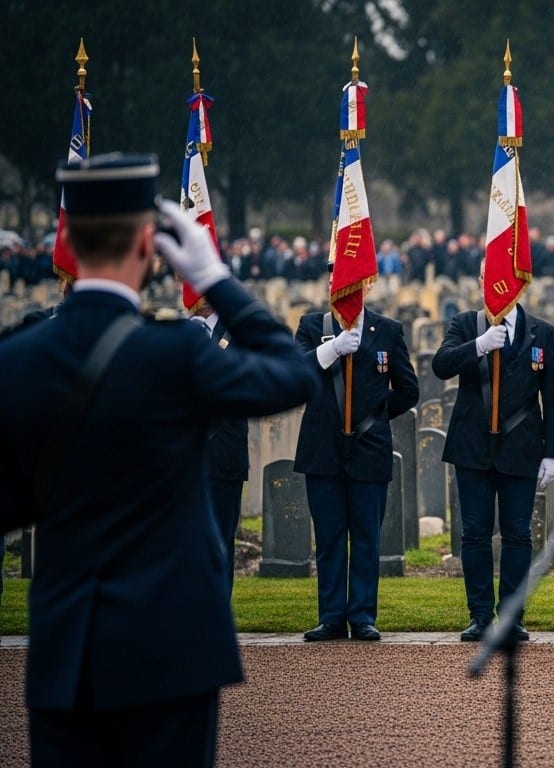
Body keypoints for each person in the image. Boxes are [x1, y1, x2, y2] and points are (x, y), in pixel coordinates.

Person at [0, 153, 317, 766]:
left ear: (64, 240)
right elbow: (292, 375)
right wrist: (217, 278)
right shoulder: (175, 356)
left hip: (68, 646)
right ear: (151, 245)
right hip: (171, 645)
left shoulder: (18, 360)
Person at [432, 268, 554, 642]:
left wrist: (553, 452)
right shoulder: (464, 324)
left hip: (521, 446)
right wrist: (479, 344)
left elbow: (552, 397)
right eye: (487, 278)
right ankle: (478, 615)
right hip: (472, 446)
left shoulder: (542, 332)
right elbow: (440, 365)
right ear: (479, 283)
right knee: (474, 534)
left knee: (518, 534)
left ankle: (512, 615)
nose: (495, 285)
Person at [293, 283, 418, 642]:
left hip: (369, 447)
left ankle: (362, 615)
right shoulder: (312, 327)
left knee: (366, 537)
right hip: (322, 447)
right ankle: (331, 617)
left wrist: (376, 416)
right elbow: (295, 372)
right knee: (330, 537)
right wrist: (331, 348)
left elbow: (409, 390)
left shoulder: (388, 331)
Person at [190, 303, 251, 596]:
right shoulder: (173, 332)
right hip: (181, 457)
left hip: (224, 452)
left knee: (221, 540)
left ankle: (215, 616)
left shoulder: (238, 333)